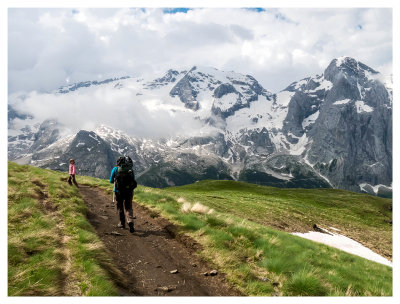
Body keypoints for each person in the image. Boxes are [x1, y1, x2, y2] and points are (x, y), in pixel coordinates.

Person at [110, 156, 137, 233]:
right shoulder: (130, 169)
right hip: (129, 191)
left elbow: (111, 181)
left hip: (118, 191)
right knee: (128, 207)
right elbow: (133, 180)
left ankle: (122, 223)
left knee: (120, 207)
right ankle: (130, 221)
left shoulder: (115, 169)